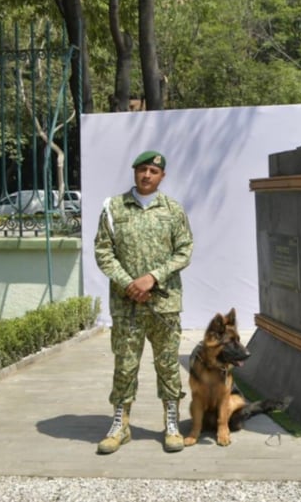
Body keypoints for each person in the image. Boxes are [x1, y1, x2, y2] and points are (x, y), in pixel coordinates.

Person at [94, 150, 194, 454]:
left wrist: (152, 277)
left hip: (164, 303)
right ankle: (120, 424)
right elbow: (103, 252)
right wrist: (129, 284)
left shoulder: (173, 209)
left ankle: (172, 422)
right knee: (124, 365)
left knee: (167, 365)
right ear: (134, 172)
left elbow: (184, 250)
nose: (146, 175)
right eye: (142, 169)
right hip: (127, 306)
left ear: (162, 176)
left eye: (153, 171)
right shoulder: (113, 208)